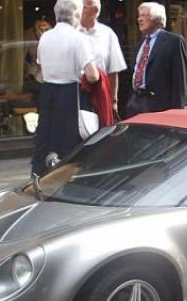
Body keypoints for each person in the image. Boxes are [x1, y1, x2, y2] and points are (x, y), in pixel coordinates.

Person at [31, 0, 99, 176]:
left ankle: (41, 173)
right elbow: (93, 75)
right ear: (76, 15)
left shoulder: (45, 37)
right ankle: (70, 176)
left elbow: (40, 63)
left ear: (56, 15)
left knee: (46, 136)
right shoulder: (79, 38)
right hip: (70, 92)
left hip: (47, 92)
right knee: (69, 139)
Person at [126, 2, 187, 117]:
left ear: (157, 18)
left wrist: (177, 114)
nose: (139, 19)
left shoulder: (173, 41)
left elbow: (179, 81)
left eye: (144, 16)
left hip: (159, 106)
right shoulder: (140, 43)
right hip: (136, 104)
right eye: (139, 16)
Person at [79, 0, 127, 115]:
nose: (79, 10)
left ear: (95, 11)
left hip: (100, 91)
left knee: (100, 130)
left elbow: (113, 70)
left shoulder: (107, 34)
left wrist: (113, 101)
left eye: (83, 7)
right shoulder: (71, 32)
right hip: (74, 92)